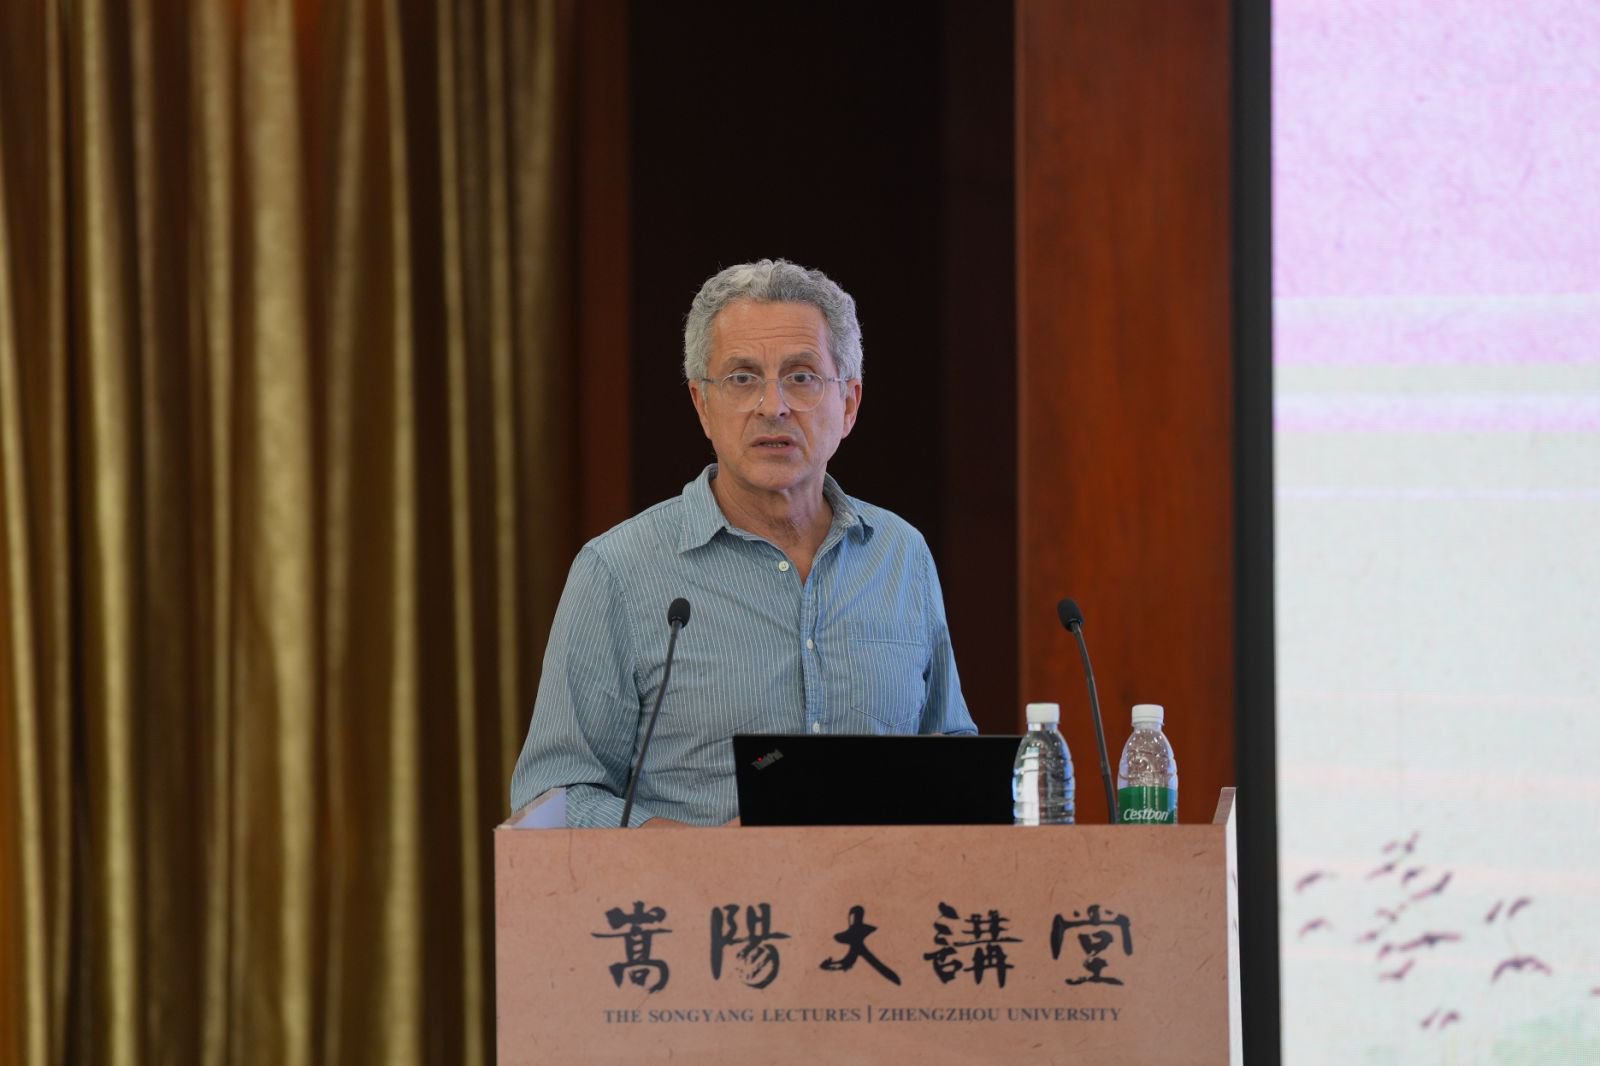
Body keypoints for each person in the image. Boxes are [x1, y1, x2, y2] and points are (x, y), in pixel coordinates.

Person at [509, 259, 974, 826]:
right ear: (702, 405)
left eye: (801, 377)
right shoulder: (619, 570)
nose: (772, 406)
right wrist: (700, 854)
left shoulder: (899, 555)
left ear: (849, 403)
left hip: (881, 886)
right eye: (742, 378)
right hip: (698, 887)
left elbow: (952, 756)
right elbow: (552, 799)